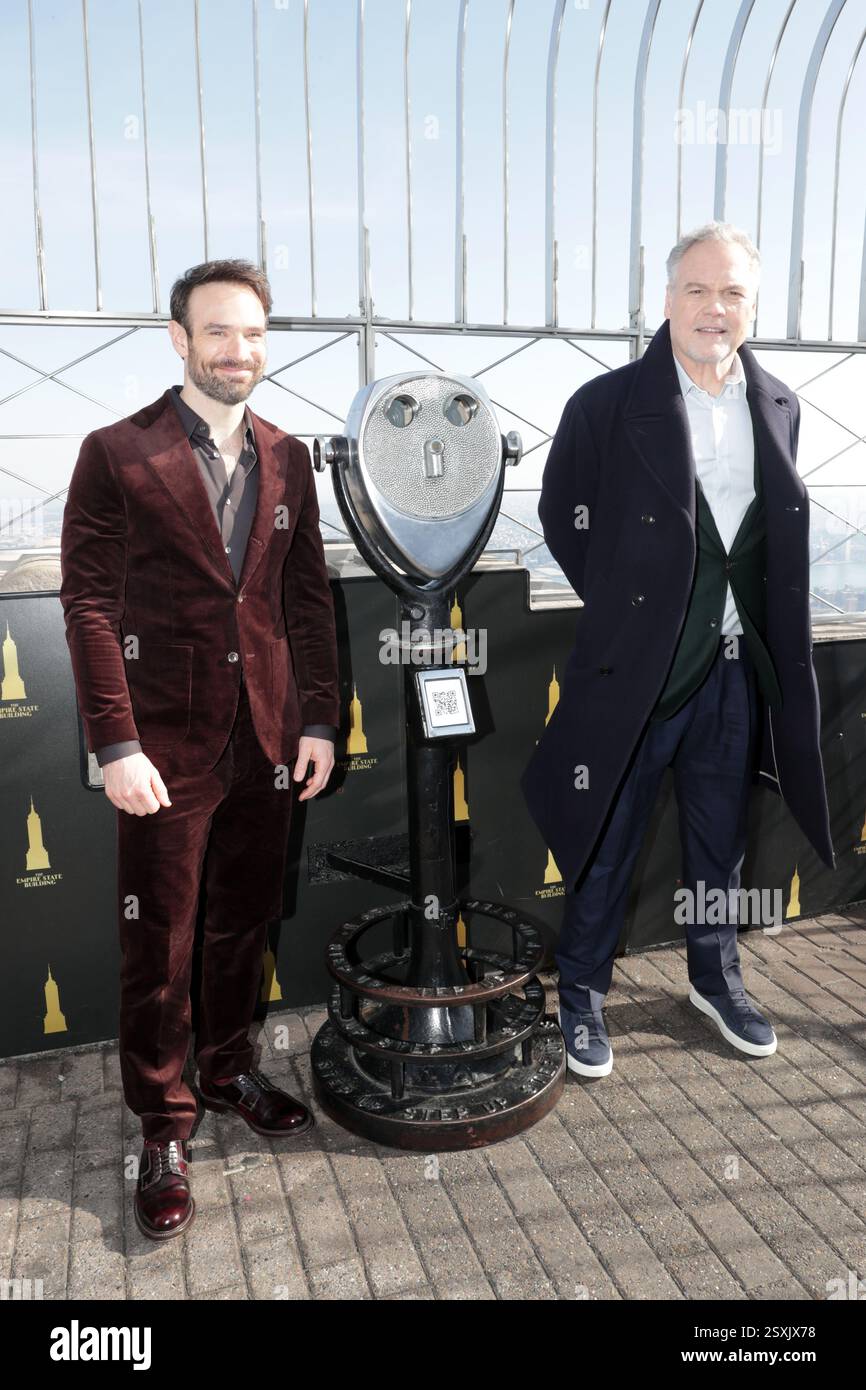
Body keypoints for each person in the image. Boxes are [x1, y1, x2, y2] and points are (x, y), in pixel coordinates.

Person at [60, 259, 340, 1238]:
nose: (240, 350)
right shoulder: (116, 452)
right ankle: (163, 1124)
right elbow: (89, 604)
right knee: (161, 940)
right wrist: (115, 741)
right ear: (179, 339)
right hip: (163, 747)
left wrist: (317, 720)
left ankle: (225, 1071)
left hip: (266, 736)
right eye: (219, 332)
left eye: (255, 333)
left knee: (242, 924)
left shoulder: (288, 454)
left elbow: (303, 599)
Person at [520, 222, 835, 1079]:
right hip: (640, 674)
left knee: (719, 843)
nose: (713, 308)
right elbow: (563, 516)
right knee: (608, 836)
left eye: (732, 293)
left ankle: (714, 979)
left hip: (735, 670)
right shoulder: (607, 403)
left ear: (753, 307)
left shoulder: (779, 404)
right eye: (697, 290)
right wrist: (635, 613)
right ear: (665, 301)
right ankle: (579, 992)